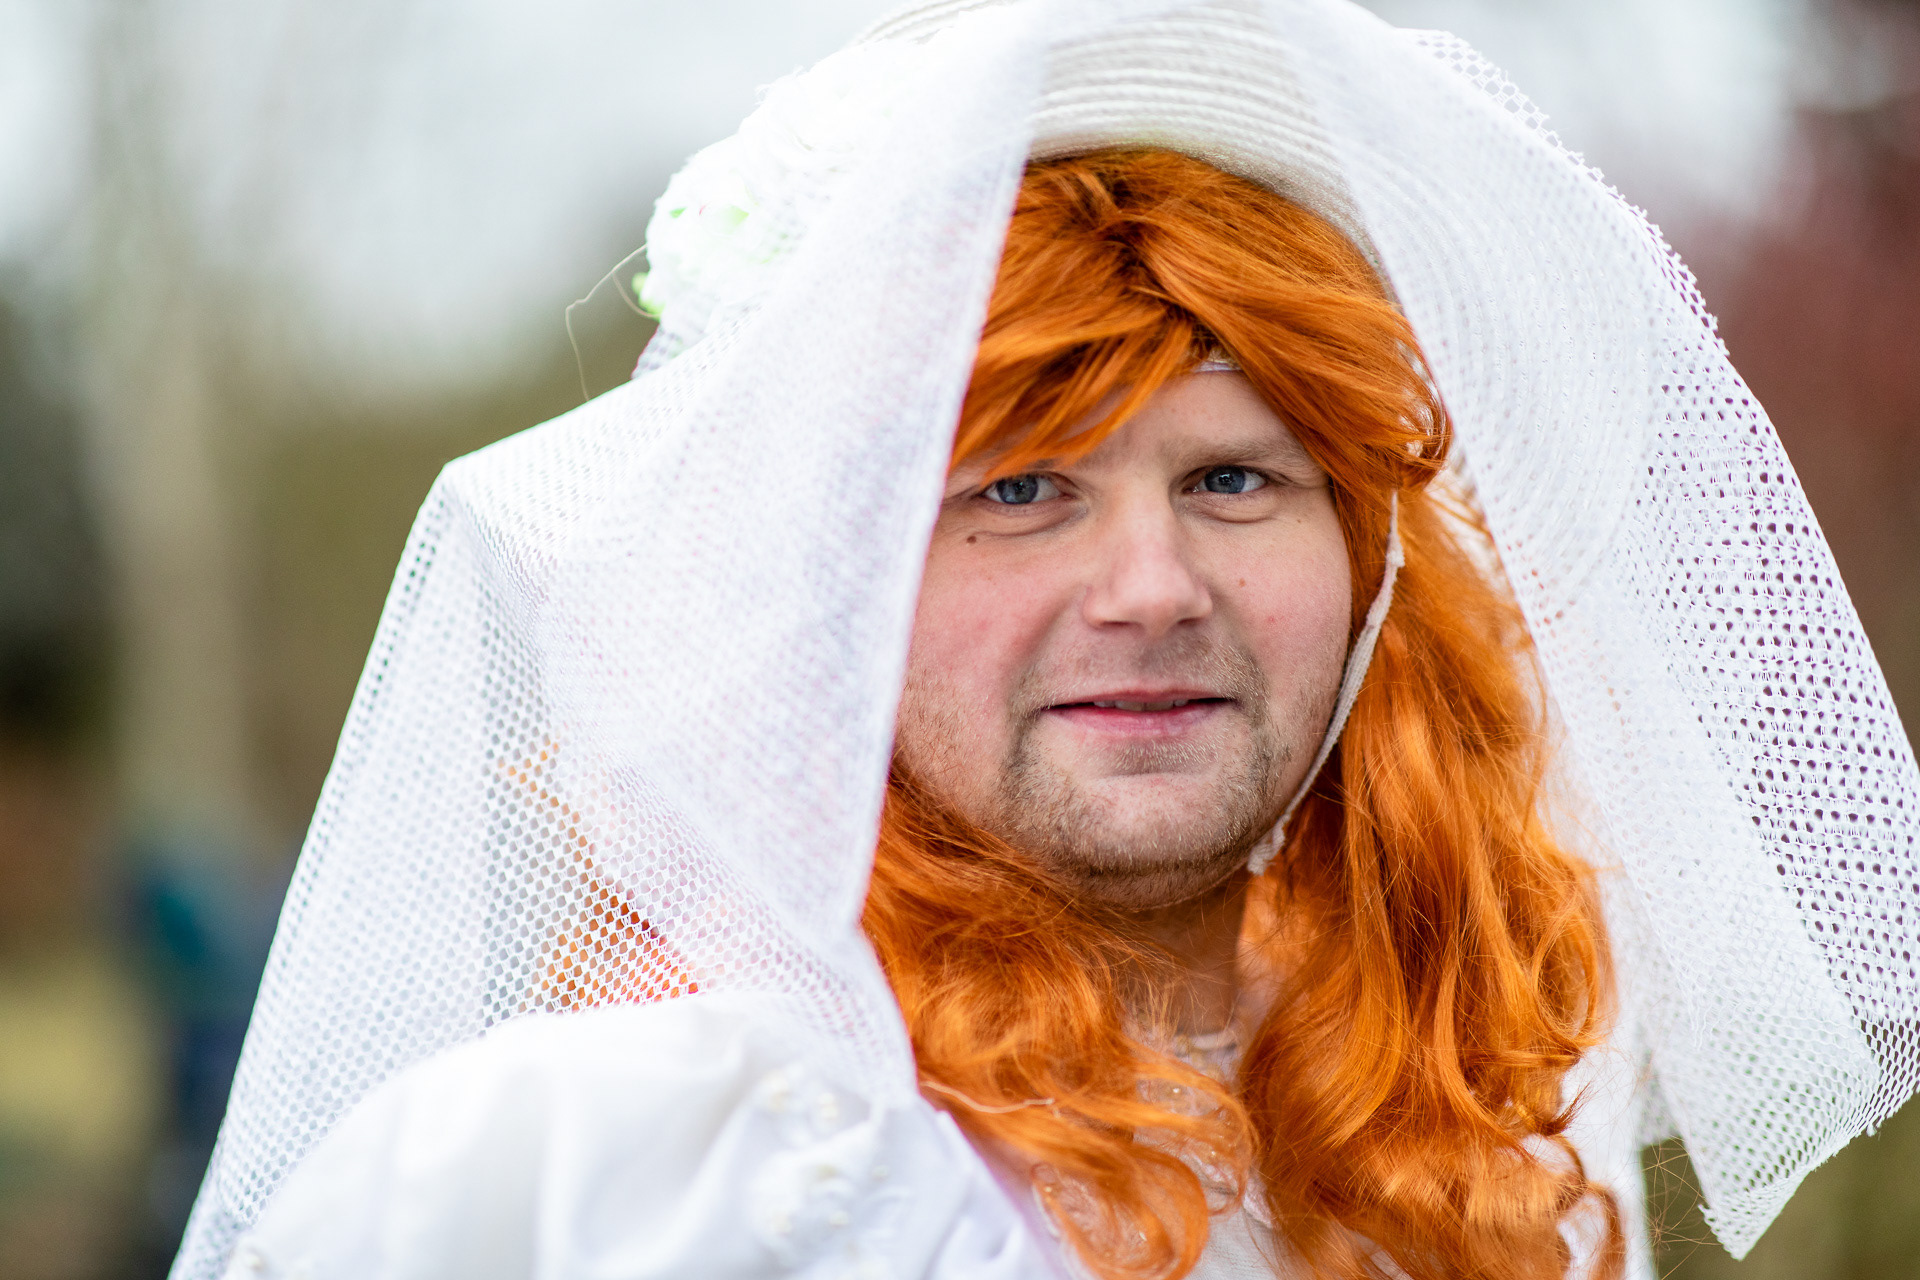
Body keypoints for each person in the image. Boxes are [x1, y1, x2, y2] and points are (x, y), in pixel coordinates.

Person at [174, 4, 1920, 1280]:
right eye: (1017, 489)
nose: (1151, 586)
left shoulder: (1478, 1181)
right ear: (831, 579)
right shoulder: (575, 1177)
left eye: (1235, 478)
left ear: (1372, 570)